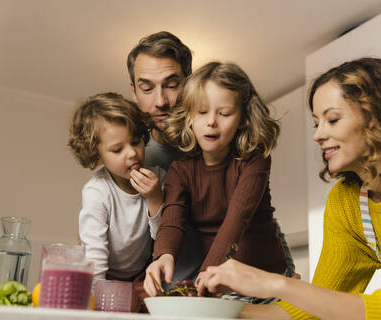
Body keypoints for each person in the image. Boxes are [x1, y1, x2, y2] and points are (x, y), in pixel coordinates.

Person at [196, 57, 381, 320]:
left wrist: (272, 283)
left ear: (380, 116)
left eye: (333, 119)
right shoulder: (347, 202)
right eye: (317, 123)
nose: (318, 135)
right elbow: (312, 311)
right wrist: (217, 311)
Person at [127, 31, 298, 280]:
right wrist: (164, 257)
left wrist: (287, 277)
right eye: (146, 88)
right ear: (134, 91)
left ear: (189, 84)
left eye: (172, 85)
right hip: (188, 286)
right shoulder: (140, 158)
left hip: (239, 278)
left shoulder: (244, 155)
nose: (161, 101)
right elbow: (160, 224)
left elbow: (249, 215)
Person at [67, 92, 165, 286]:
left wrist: (155, 197)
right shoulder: (97, 191)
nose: (132, 153)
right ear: (96, 156)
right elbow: (94, 251)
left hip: (141, 275)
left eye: (136, 142)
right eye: (117, 150)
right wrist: (96, 293)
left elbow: (162, 237)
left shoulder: (158, 177)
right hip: (103, 273)